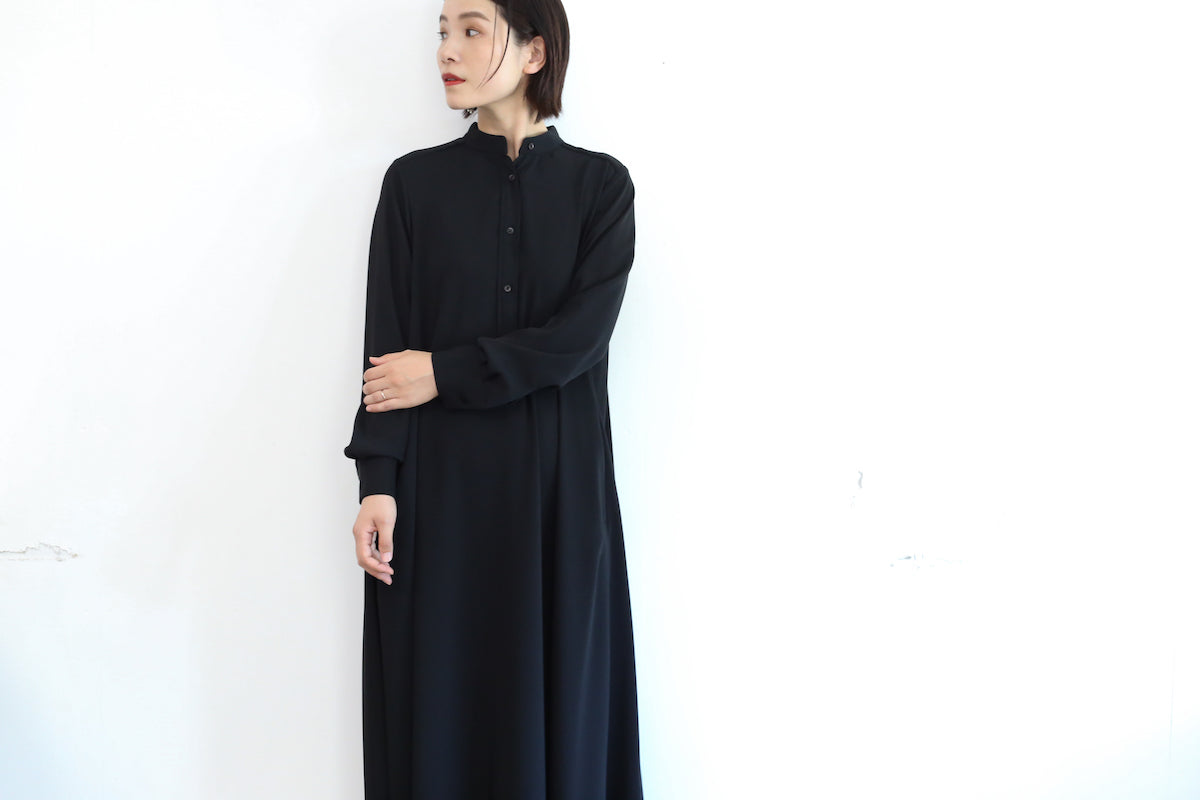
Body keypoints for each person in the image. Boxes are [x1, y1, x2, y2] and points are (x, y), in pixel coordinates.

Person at [342, 0, 644, 797]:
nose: (447, 50)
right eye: (442, 32)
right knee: (441, 707)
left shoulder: (601, 189)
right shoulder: (413, 186)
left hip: (557, 500)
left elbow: (576, 341)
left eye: (471, 30)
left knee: (560, 708)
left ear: (535, 52)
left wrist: (443, 372)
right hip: (440, 496)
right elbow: (386, 348)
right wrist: (377, 482)